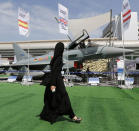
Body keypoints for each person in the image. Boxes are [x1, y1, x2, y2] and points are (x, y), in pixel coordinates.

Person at [39, 42, 82, 124]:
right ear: (61, 49)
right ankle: (73, 116)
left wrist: (61, 78)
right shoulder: (58, 58)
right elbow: (55, 72)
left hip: (56, 80)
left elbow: (55, 71)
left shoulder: (54, 58)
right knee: (64, 98)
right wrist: (53, 84)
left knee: (51, 99)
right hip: (56, 82)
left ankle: (46, 115)